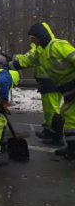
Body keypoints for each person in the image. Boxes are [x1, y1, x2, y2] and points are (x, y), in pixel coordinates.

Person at [14, 23, 75, 158]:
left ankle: (72, 148)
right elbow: (28, 60)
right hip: (67, 89)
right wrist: (12, 63)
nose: (33, 42)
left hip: (72, 86)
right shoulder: (42, 52)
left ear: (41, 36)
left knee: (70, 118)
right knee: (63, 115)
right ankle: (65, 142)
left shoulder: (57, 45)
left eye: (34, 39)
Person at [11, 32, 62, 144]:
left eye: (33, 38)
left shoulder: (42, 49)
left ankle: (55, 135)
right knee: (50, 110)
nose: (31, 41)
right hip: (51, 83)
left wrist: (13, 60)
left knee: (51, 110)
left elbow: (28, 59)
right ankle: (48, 131)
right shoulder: (47, 46)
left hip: (50, 84)